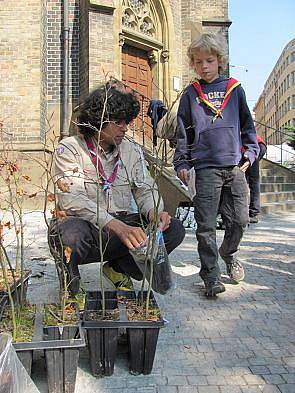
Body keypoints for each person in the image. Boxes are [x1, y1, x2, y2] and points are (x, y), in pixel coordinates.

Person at [49, 82, 185, 295]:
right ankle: (70, 278)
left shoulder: (131, 150)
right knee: (67, 234)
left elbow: (145, 188)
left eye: (127, 122)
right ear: (98, 121)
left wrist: (153, 211)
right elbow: (71, 200)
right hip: (88, 229)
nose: (125, 128)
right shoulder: (69, 148)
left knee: (173, 229)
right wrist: (117, 227)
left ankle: (117, 269)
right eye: (118, 122)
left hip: (118, 229)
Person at [173, 33, 259, 297]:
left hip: (234, 167)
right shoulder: (190, 94)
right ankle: (210, 276)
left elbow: (248, 126)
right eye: (198, 62)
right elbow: (183, 132)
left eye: (209, 60)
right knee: (206, 226)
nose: (204, 67)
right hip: (206, 168)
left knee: (240, 220)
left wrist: (251, 151)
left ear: (220, 61)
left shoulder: (235, 89)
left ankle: (228, 253)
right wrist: (181, 162)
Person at [246, 134, 267, 223]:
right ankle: (253, 212)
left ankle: (254, 213)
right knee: (252, 180)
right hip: (258, 145)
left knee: (253, 180)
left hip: (253, 147)